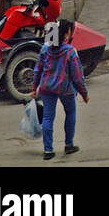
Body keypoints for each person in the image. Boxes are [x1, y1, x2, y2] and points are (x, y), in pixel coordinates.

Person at [31, 19, 89, 160]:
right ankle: (69, 144)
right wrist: (84, 93)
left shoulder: (45, 49)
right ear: (64, 34)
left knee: (48, 117)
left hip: (46, 88)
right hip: (66, 89)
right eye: (69, 30)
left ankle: (48, 150)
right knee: (70, 112)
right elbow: (77, 76)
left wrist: (34, 88)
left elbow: (38, 70)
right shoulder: (70, 52)